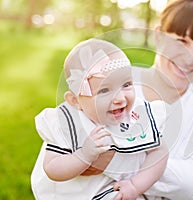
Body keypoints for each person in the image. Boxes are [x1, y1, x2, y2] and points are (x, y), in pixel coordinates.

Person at [84, 0, 193, 199]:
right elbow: (64, 146)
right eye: (181, 41)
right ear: (158, 36)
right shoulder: (110, 81)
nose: (189, 57)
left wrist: (110, 159)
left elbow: (191, 186)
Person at [31, 38, 168, 200]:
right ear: (75, 101)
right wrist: (83, 155)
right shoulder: (69, 122)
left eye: (126, 84)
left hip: (120, 191)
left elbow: (160, 153)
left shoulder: (137, 115)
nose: (120, 98)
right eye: (104, 90)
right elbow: (52, 168)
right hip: (80, 194)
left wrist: (135, 185)